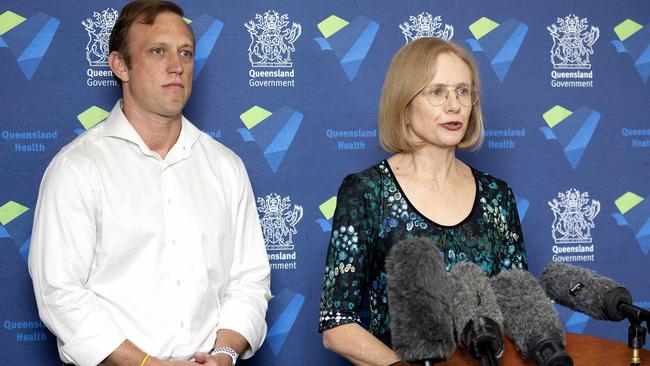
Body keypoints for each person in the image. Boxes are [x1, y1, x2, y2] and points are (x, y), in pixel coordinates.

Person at [28, 1, 271, 365]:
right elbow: (59, 293)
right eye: (158, 51)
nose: (176, 66)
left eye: (185, 53)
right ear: (119, 65)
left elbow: (249, 280)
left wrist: (222, 355)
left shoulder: (225, 166)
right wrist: (146, 364)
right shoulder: (77, 167)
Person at [318, 37, 528, 365]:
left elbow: (517, 311)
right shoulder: (367, 192)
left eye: (463, 91)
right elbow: (336, 325)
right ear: (404, 102)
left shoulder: (497, 196)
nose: (454, 105)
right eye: (437, 92)